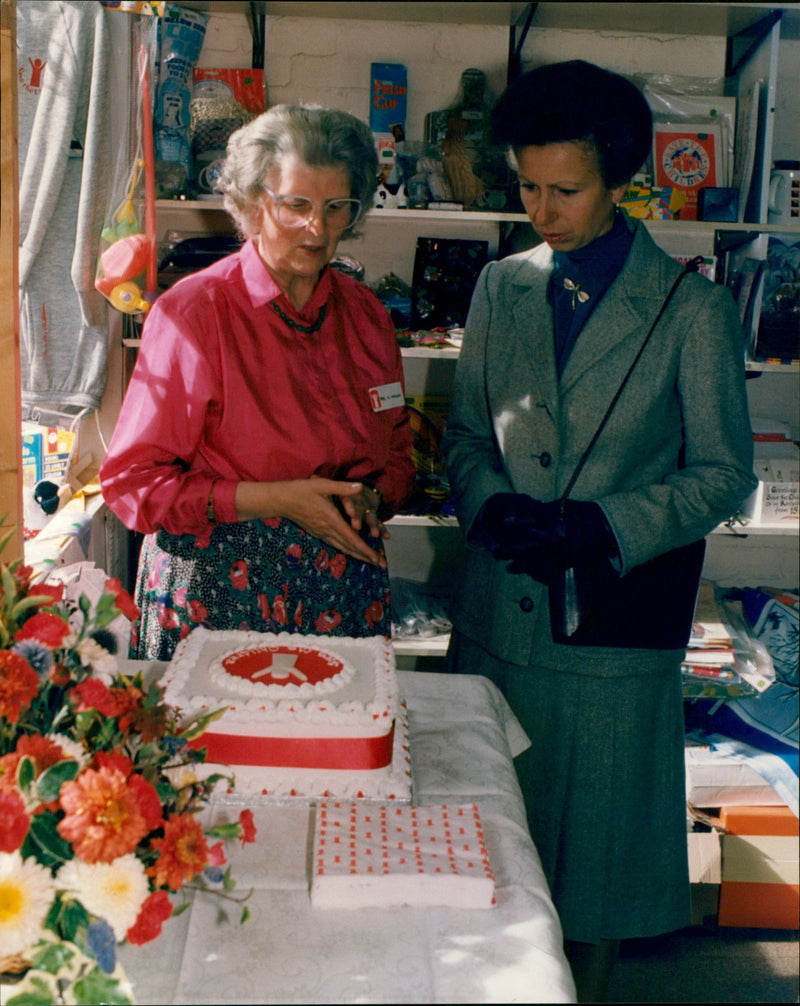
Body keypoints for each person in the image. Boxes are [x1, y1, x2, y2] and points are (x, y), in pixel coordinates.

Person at [441, 61, 757, 1002]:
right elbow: (465, 436)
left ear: (619, 178)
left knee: (598, 876)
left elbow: (724, 477)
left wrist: (604, 525)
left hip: (613, 632)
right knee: (476, 865)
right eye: (527, 187)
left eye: (566, 190)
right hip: (496, 620)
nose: (543, 211)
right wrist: (488, 503)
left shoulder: (692, 309)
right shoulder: (499, 286)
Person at [100, 104, 416, 660]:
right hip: (218, 593)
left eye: (336, 208)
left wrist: (372, 496)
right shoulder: (193, 313)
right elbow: (134, 486)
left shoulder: (367, 316)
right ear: (251, 204)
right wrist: (281, 500)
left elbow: (397, 452)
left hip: (342, 591)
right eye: (296, 205)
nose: (317, 229)